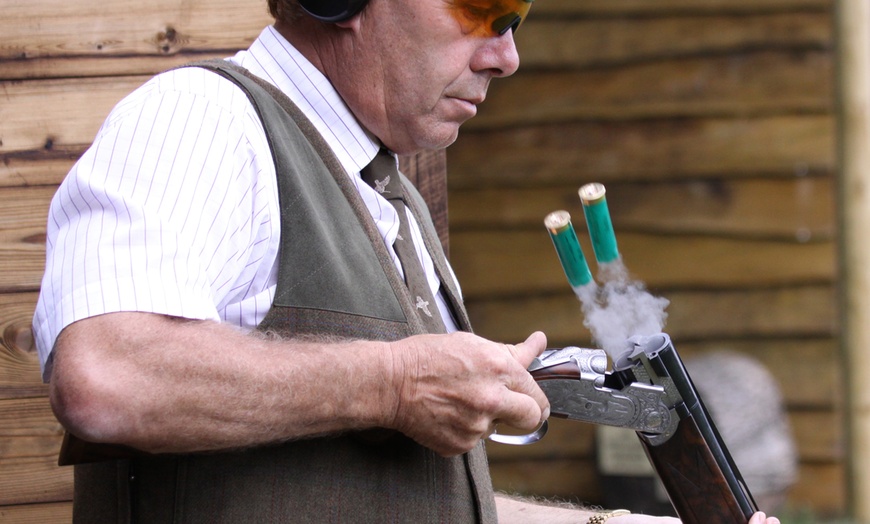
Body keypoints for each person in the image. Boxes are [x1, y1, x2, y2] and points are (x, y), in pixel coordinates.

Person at [32, 0, 781, 522]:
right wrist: (394, 381)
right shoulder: (202, 119)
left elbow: (417, 503)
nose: (507, 56)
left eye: (517, 18)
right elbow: (107, 375)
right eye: (479, 9)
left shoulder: (392, 199)